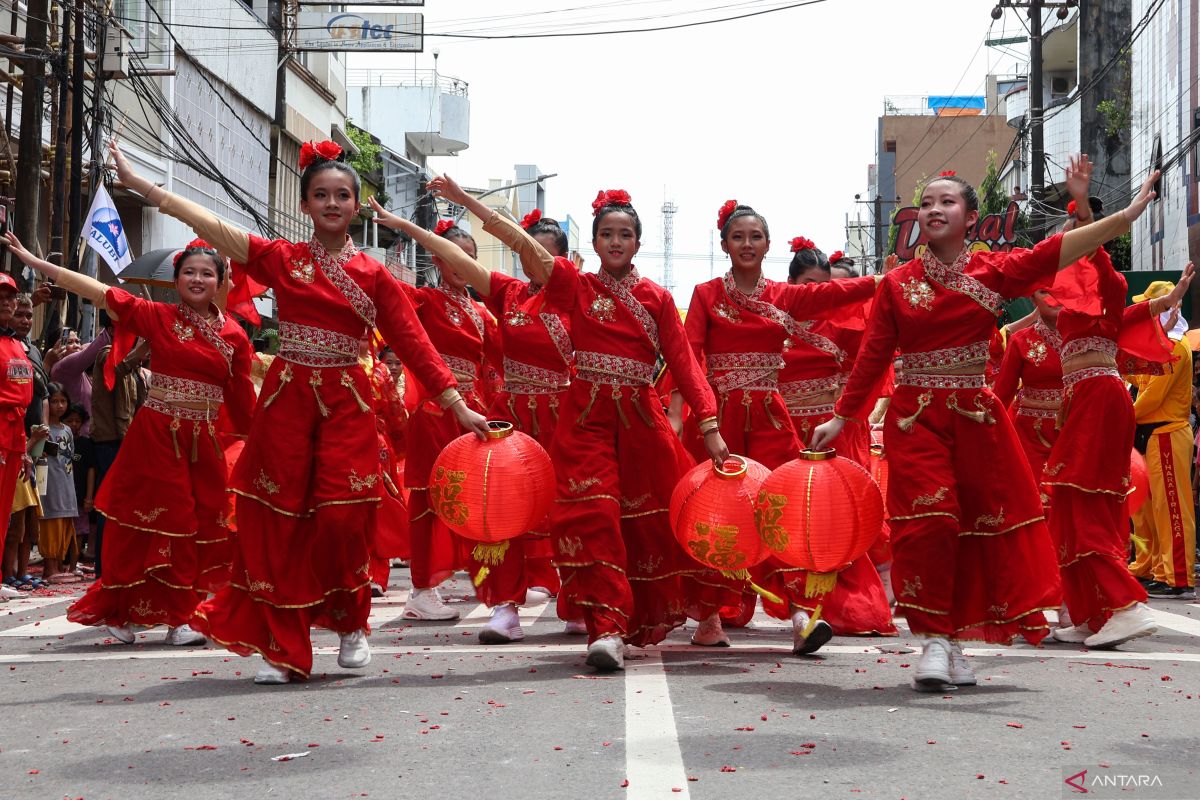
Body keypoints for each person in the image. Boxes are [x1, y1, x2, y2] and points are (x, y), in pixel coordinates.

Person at [105, 139, 487, 683]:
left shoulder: (375, 277)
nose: (332, 203)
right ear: (305, 204)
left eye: (342, 196)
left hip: (347, 402)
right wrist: (145, 189)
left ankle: (351, 622)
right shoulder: (283, 259)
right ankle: (283, 642)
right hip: (287, 399)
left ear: (356, 206)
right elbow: (214, 228)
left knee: (341, 518)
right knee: (278, 520)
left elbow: (414, 343)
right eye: (321, 195)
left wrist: (456, 404)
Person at [811, 159, 1166, 691]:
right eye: (926, 203)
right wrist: (842, 417)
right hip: (914, 418)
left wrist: (1125, 215)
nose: (933, 210)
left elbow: (1060, 251)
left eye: (946, 202)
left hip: (976, 419)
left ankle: (953, 640)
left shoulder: (995, 272)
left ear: (971, 217)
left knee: (976, 530)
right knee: (931, 519)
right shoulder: (897, 284)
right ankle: (933, 638)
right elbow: (874, 356)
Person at [376, 189, 730, 671]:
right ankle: (603, 629)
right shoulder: (576, 286)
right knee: (593, 516)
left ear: (638, 242)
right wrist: (464, 201)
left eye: (625, 234)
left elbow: (686, 366)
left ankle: (675, 612)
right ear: (597, 241)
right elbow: (521, 243)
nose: (616, 241)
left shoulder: (658, 298)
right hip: (585, 418)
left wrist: (708, 425)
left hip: (642, 421)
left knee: (648, 525)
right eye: (607, 233)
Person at [4, 232, 257, 643]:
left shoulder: (235, 337)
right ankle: (128, 612)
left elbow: (243, 401)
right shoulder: (159, 317)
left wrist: (259, 447)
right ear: (176, 281)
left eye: (206, 274)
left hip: (204, 442)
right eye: (188, 273)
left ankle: (183, 614)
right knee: (142, 523)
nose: (197, 280)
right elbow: (101, 292)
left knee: (199, 527)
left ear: (222, 281)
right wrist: (37, 262)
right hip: (157, 437)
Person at [676, 204, 885, 652]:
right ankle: (709, 616)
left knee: (784, 514)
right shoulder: (707, 294)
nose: (747, 245)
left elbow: (832, 296)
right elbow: (688, 358)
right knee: (714, 514)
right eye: (738, 237)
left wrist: (887, 281)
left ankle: (799, 617)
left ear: (767, 245)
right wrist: (704, 421)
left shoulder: (782, 297)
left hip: (771, 416)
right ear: (724, 244)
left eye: (755, 237)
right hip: (720, 417)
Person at [419, 175, 574, 642]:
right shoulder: (508, 293)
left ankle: (577, 598)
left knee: (570, 509)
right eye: (525, 251)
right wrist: (407, 223)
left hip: (566, 415)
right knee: (504, 505)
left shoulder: (580, 294)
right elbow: (454, 256)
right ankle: (504, 605)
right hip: (515, 417)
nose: (534, 260)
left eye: (542, 252)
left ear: (561, 259)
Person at [1127, 283, 1197, 601]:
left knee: (1172, 509)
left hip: (1167, 432)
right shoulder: (1162, 344)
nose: (1148, 313)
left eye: (1152, 306)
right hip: (1156, 434)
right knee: (1154, 509)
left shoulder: (1175, 346)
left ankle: (1178, 575)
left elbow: (1152, 396)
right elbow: (1142, 379)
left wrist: (1122, 415)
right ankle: (1160, 569)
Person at [992, 291, 1064, 486]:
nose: (1053, 297)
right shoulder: (1020, 341)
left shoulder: (1084, 337)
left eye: (1059, 289)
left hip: (1077, 434)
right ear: (1032, 298)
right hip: (1031, 437)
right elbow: (1001, 395)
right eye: (1044, 292)